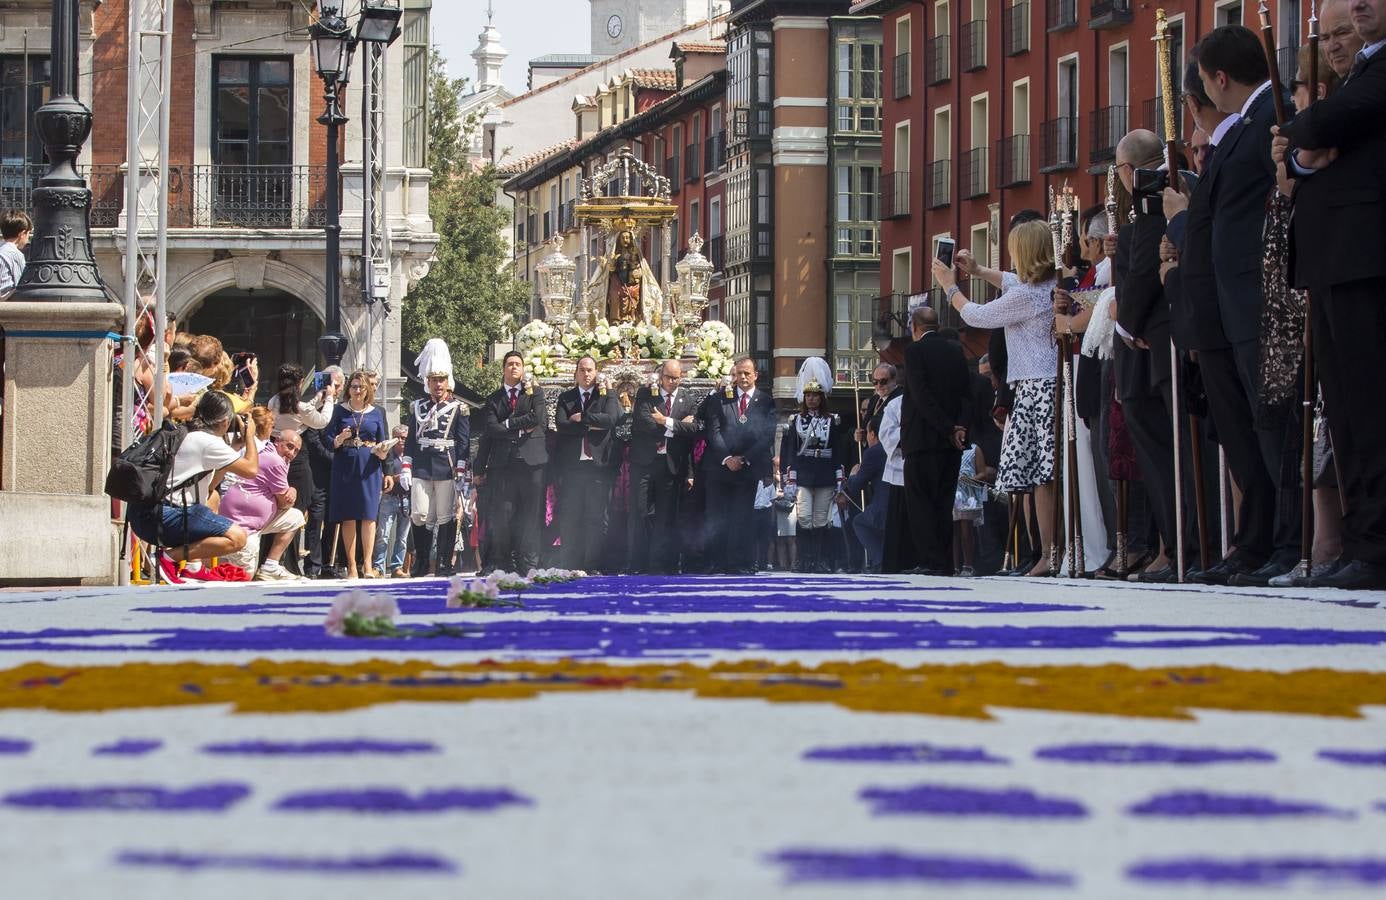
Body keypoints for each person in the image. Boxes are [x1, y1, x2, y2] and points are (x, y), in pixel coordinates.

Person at [1183, 25, 1300, 585]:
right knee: (1252, 434)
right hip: (1232, 307)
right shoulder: (1245, 126)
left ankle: (1287, 541)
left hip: (1260, 300)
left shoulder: (1269, 120)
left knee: (1274, 428)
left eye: (1205, 81)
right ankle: (1257, 542)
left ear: (1220, 78)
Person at [1275, 0, 1386, 587]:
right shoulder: (1359, 74)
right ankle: (1362, 541)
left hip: (1365, 258)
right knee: (1346, 417)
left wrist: (1299, 137)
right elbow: (1311, 143)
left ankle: (1376, 546)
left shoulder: (1376, 73)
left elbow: (1319, 126)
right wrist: (1303, 152)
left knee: (1369, 411)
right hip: (1337, 262)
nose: (1360, 9)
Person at [938, 222, 1054, 575]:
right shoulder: (1046, 286)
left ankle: (1048, 553)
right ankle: (1045, 552)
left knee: (1039, 474)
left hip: (1035, 388)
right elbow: (1010, 280)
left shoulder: (1026, 297)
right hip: (1041, 385)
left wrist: (949, 287)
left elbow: (978, 315)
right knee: (1038, 475)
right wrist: (978, 270)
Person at [126, 391, 259, 584]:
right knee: (237, 538)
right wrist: (250, 437)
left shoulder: (184, 432)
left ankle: (193, 567)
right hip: (164, 518)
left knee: (212, 499)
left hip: (143, 516)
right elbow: (251, 470)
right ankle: (167, 558)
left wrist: (233, 450)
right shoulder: (208, 442)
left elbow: (211, 487)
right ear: (224, 421)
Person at [881, 304, 970, 575]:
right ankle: (945, 562)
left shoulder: (914, 351)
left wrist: (946, 427)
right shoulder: (956, 351)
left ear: (915, 327)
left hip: (921, 440)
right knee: (944, 502)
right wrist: (959, 428)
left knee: (921, 504)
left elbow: (920, 396)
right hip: (951, 444)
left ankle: (931, 561)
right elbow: (965, 394)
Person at [627, 359, 701, 573]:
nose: (672, 381)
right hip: (645, 463)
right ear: (661, 376)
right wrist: (677, 425)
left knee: (665, 516)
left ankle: (659, 564)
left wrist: (664, 421)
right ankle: (638, 563)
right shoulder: (645, 394)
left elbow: (694, 429)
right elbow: (643, 423)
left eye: (676, 378)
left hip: (671, 466)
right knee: (640, 512)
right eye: (668, 377)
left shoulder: (687, 399)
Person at [704, 357, 776, 574]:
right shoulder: (720, 399)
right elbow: (714, 432)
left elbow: (767, 435)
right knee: (719, 517)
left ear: (756, 375)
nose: (742, 377)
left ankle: (740, 563)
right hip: (721, 468)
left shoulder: (765, 401)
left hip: (747, 469)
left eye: (747, 373)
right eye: (738, 373)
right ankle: (718, 562)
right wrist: (727, 458)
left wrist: (743, 458)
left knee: (742, 517)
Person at [405, 339, 470, 577]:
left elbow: (463, 441)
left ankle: (443, 562)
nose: (438, 384)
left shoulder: (458, 408)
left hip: (446, 465)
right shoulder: (417, 407)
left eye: (441, 379)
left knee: (445, 515)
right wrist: (406, 466)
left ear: (447, 381)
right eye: (434, 380)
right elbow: (411, 440)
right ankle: (421, 561)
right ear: (427, 382)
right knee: (419, 514)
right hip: (422, 465)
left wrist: (461, 469)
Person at [479, 351, 548, 573]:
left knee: (531, 515)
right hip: (504, 464)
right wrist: (518, 428)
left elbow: (537, 418)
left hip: (532, 462)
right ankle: (503, 561)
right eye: (510, 364)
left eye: (518, 364)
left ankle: (529, 562)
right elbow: (491, 429)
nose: (514, 367)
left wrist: (507, 424)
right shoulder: (494, 398)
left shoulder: (534, 392)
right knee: (504, 513)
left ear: (523, 368)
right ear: (504, 369)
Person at [554, 356, 624, 572]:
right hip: (573, 467)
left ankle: (593, 565)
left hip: (598, 467)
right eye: (582, 370)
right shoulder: (566, 397)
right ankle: (571, 564)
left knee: (596, 518)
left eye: (590, 370)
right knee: (571, 517)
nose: (586, 374)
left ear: (596, 373)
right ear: (576, 373)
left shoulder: (605, 395)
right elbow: (562, 425)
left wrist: (582, 417)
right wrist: (593, 425)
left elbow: (611, 419)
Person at [779, 358, 847, 573]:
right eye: (808, 395)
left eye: (815, 395)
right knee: (804, 517)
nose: (811, 399)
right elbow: (790, 451)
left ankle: (821, 560)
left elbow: (837, 451)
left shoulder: (832, 420)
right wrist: (789, 477)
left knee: (820, 519)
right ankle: (803, 559)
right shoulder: (796, 420)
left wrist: (839, 477)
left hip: (825, 474)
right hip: (804, 474)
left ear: (821, 397)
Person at [267, 363, 336, 575]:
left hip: (276, 452)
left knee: (275, 507)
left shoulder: (273, 402)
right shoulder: (300, 407)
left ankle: (274, 559)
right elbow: (321, 421)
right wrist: (329, 398)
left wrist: (317, 399)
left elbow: (305, 411)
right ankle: (287, 563)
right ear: (300, 383)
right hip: (297, 459)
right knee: (298, 507)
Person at [220, 417, 306, 582]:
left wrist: (292, 490)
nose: (292, 453)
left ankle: (270, 566)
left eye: (296, 451)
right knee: (243, 578)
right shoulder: (275, 460)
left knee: (295, 516)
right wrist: (290, 494)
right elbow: (284, 502)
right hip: (243, 528)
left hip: (253, 522)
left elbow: (284, 498)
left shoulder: (276, 456)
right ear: (277, 441)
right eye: (289, 446)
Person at [325, 370, 389, 579]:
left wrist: (383, 453)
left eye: (361, 387)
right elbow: (328, 440)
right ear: (348, 389)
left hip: (369, 465)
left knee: (369, 516)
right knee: (349, 516)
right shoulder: (339, 411)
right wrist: (340, 438)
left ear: (368, 389)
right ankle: (351, 565)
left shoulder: (376, 413)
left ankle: (368, 565)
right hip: (345, 464)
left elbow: (383, 440)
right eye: (354, 386)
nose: (358, 390)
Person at [302, 365, 344, 578]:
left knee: (333, 519)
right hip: (317, 471)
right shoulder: (314, 407)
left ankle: (329, 562)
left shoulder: (343, 410)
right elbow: (312, 439)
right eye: (328, 383)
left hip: (337, 475)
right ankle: (313, 564)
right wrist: (333, 459)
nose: (331, 389)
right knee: (316, 518)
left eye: (335, 385)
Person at [842, 415, 887, 571]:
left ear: (872, 434)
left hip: (883, 504)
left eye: (867, 433)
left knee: (859, 522)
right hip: (897, 501)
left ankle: (879, 560)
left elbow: (856, 485)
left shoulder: (874, 452)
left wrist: (852, 476)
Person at [374, 424, 412, 578]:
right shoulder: (387, 454)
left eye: (404, 438)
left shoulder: (411, 455)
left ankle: (397, 567)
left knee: (402, 538)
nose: (401, 441)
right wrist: (395, 478)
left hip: (406, 498)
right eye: (398, 438)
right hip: (389, 497)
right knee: (383, 535)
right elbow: (380, 475)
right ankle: (378, 567)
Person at [0, 209, 31, 295]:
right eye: (28, 233)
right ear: (22, 234)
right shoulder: (15, 254)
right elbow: (19, 285)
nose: (28, 239)